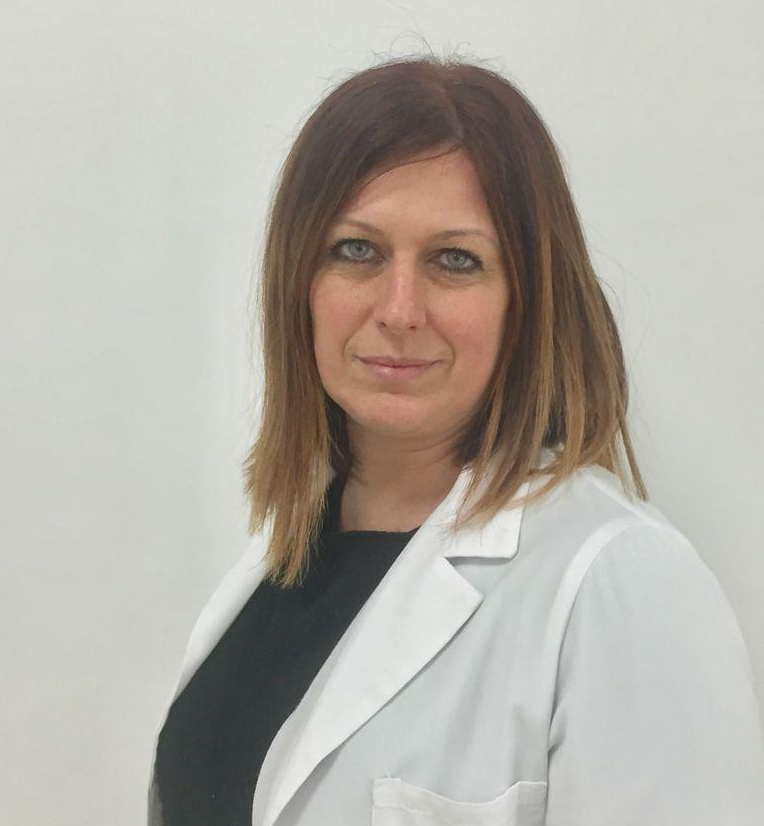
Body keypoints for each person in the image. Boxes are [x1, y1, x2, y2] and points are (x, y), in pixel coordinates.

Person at [146, 55, 764, 826]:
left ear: (527, 301)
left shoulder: (621, 581)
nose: (399, 309)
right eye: (357, 250)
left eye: (454, 260)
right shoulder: (287, 555)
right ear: (298, 281)